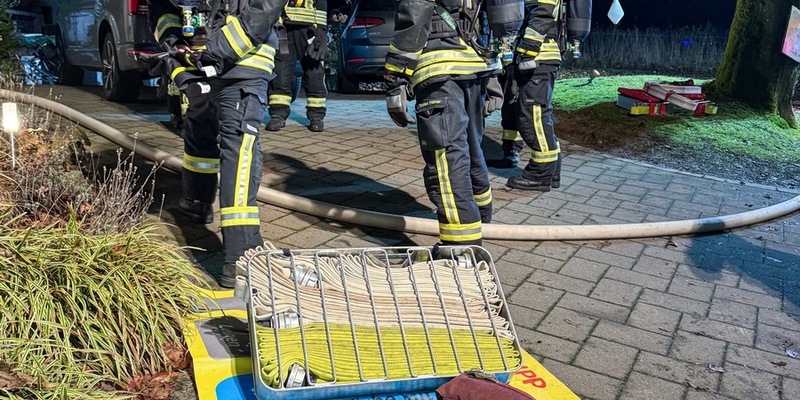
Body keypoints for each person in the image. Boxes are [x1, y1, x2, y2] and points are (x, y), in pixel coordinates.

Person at [146, 0, 285, 288]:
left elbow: (263, 9)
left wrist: (214, 50)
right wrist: (175, 41)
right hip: (204, 64)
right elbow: (162, 9)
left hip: (239, 63)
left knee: (219, 138)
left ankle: (231, 244)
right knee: (221, 140)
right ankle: (228, 242)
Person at [384, 0, 523, 246]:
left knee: (447, 158)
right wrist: (491, 74)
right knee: (471, 148)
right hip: (473, 67)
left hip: (438, 70)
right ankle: (480, 218)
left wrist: (395, 79)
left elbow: (414, 14)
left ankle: (460, 245)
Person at [501, 0, 566, 191]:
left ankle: (540, 174)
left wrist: (527, 49)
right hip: (539, 57)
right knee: (539, 116)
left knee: (533, 118)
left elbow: (543, 13)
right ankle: (552, 172)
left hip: (537, 57)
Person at [265, 0, 329, 133]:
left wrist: (321, 32)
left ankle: (316, 116)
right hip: (284, 30)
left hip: (310, 31)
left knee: (314, 74)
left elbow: (321, 4)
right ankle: (278, 114)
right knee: (280, 73)